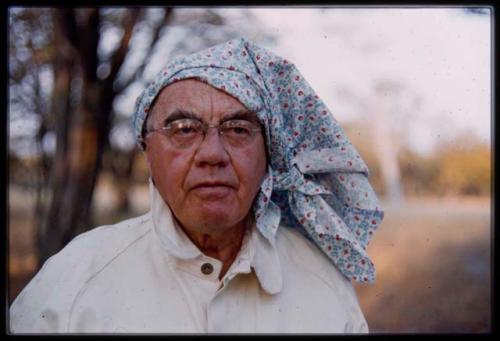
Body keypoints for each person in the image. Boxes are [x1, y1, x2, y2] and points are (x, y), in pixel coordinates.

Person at [9, 37, 384, 333]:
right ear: (147, 149)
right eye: (184, 130)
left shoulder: (322, 286)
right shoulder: (73, 279)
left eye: (238, 130)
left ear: (269, 155)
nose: (212, 154)